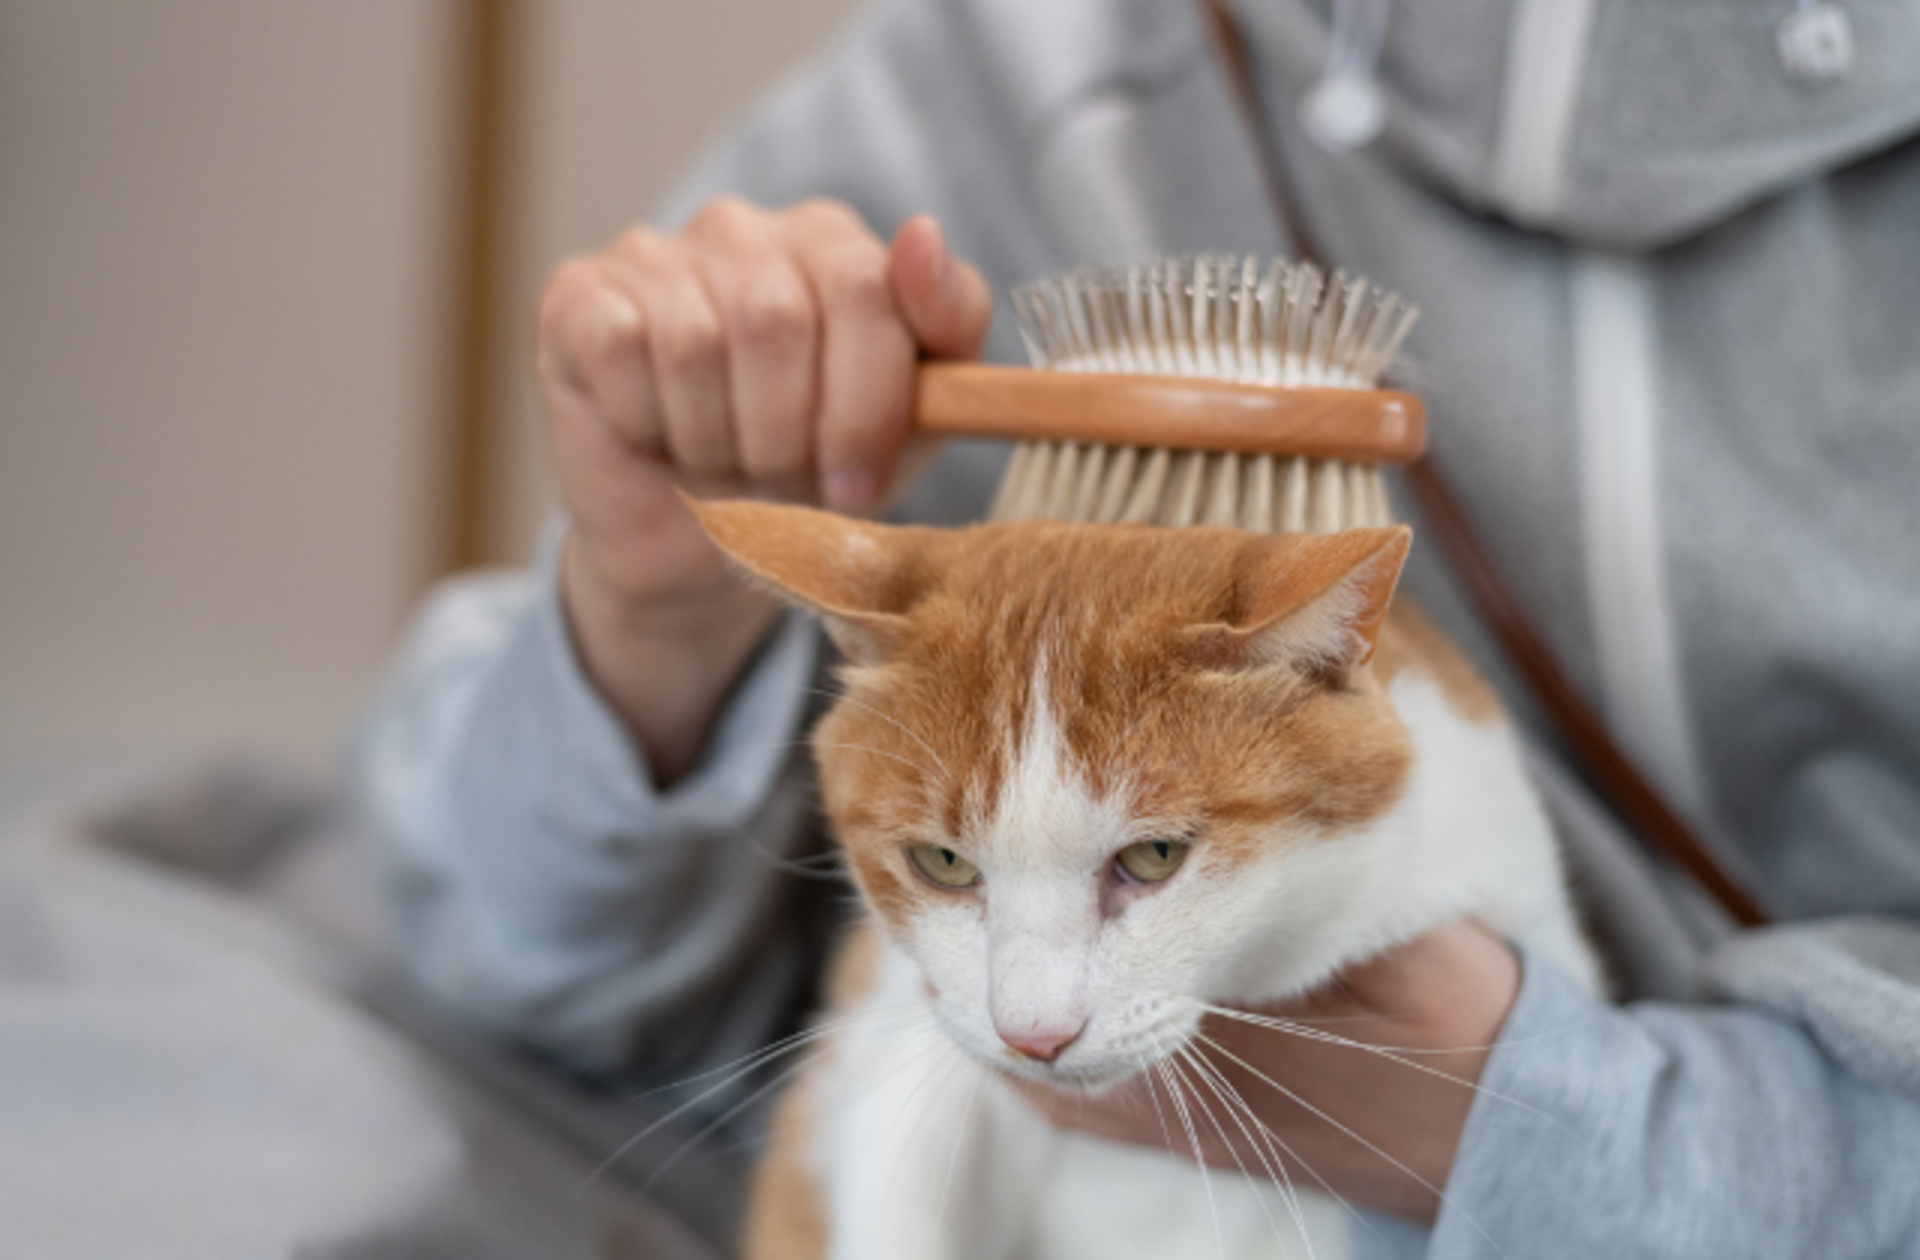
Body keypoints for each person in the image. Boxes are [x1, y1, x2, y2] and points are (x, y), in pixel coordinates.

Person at [354, 0, 1920, 1254]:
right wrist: (650, 619)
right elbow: (507, 954)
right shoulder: (1005, 76)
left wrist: (1562, 1127)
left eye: (1149, 856)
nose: (1036, 1018)